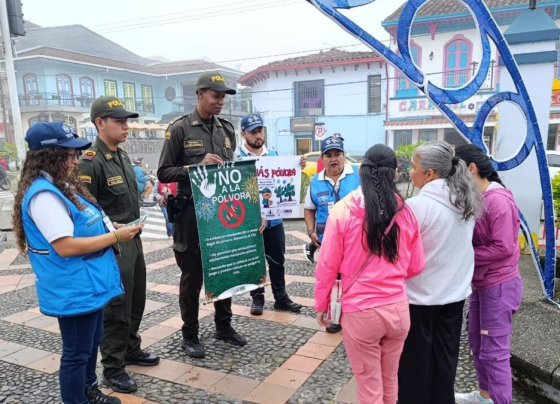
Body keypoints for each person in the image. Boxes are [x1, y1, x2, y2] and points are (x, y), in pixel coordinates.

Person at [12, 121, 144, 404]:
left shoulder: (60, 185)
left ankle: (89, 390)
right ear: (50, 155)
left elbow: (81, 224)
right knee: (76, 353)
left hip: (88, 283)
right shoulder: (44, 195)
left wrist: (110, 227)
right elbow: (66, 246)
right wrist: (116, 237)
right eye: (70, 154)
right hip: (72, 288)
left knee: (91, 343)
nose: (76, 160)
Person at [315, 144, 425, 403]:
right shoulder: (406, 212)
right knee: (390, 380)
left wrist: (321, 304)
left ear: (361, 171)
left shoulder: (343, 211)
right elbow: (415, 266)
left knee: (369, 387)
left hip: (361, 314)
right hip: (398, 311)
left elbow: (327, 265)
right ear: (395, 172)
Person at [157, 71, 247, 359]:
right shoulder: (180, 129)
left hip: (221, 213)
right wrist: (196, 168)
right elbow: (164, 172)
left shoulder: (227, 130)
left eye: (223, 97)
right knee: (192, 276)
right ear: (199, 94)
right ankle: (190, 334)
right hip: (191, 214)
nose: (220, 102)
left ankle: (224, 326)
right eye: (215, 96)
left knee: (224, 269)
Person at [79, 96, 160, 394]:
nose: (126, 126)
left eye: (127, 121)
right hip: (112, 245)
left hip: (132, 240)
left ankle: (131, 349)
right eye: (119, 121)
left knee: (136, 299)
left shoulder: (123, 156)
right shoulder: (91, 162)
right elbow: (85, 210)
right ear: (100, 123)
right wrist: (110, 233)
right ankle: (113, 367)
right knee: (116, 307)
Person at [398, 140, 482, 404]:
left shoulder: (418, 206)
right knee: (446, 361)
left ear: (430, 174)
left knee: (414, 366)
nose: (410, 172)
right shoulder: (466, 201)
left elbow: (400, 253)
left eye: (414, 167)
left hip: (418, 299)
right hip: (454, 296)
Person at [454, 144, 523, 404]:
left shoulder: (497, 200)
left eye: (456, 172)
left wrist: (465, 254)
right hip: (482, 284)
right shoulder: (479, 198)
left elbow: (503, 247)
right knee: (477, 342)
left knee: (495, 351)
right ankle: (485, 397)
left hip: (499, 285)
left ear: (471, 168)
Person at [237, 113, 304, 315]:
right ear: (243, 134)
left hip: (274, 221)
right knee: (254, 262)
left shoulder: (273, 156)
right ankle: (257, 298)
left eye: (260, 131)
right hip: (251, 223)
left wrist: (296, 166)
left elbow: (284, 179)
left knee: (277, 260)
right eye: (253, 132)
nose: (258, 135)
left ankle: (281, 297)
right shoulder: (237, 158)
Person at [303, 135, 360, 333]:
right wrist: (311, 231)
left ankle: (354, 315)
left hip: (355, 241)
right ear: (322, 158)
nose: (333, 159)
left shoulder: (358, 176)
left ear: (344, 156)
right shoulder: (315, 181)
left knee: (353, 278)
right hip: (327, 241)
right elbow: (309, 209)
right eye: (328, 155)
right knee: (331, 279)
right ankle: (335, 317)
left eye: (337, 154)